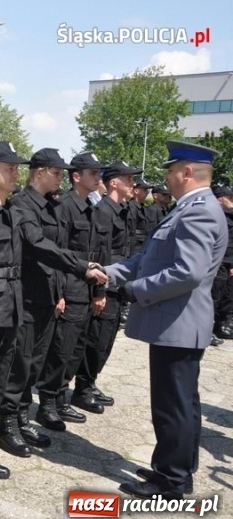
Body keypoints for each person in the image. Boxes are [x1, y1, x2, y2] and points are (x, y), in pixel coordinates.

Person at [0, 141, 107, 487]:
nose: (15, 172)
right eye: (9, 167)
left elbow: (43, 247)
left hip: (9, 312)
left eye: (16, 168)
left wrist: (82, 267)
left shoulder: (10, 212)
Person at [107, 141, 226, 499]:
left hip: (178, 324)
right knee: (182, 403)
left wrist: (134, 290)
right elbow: (149, 257)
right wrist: (110, 273)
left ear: (186, 173)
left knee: (172, 405)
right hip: (178, 323)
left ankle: (171, 481)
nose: (167, 178)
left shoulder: (198, 211)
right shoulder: (189, 208)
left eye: (170, 171)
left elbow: (186, 273)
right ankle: (175, 468)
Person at [0, 148, 94, 456]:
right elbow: (39, 246)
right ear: (39, 172)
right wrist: (81, 266)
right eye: (57, 172)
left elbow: (59, 248)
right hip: (25, 296)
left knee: (34, 365)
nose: (61, 177)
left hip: (47, 296)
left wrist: (61, 292)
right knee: (20, 364)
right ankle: (7, 425)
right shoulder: (23, 205)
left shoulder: (51, 206)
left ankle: (23, 418)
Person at [36, 152, 109, 432]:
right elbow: (58, 254)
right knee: (59, 351)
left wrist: (99, 291)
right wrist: (60, 293)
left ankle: (62, 399)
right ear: (76, 176)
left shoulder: (91, 207)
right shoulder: (63, 206)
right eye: (93, 173)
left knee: (75, 350)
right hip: (68, 290)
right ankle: (47, 405)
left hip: (86, 290)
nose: (98, 178)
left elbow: (96, 253)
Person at [75, 161, 142, 415]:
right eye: (128, 179)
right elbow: (99, 253)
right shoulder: (102, 211)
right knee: (96, 340)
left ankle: (90, 383)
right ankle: (82, 387)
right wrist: (99, 291)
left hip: (118, 284)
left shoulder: (123, 210)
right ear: (114, 182)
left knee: (106, 340)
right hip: (105, 285)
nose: (133, 184)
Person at [212, 185, 233, 340]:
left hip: (228, 262)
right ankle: (207, 329)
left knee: (226, 296)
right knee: (213, 296)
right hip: (216, 262)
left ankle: (221, 325)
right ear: (220, 199)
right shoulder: (213, 216)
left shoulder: (231, 217)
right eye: (229, 197)